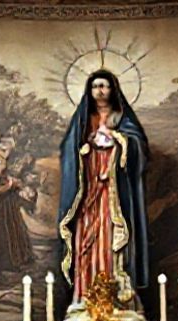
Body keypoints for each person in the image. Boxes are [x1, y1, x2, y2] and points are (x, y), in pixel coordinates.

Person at [58, 69, 149, 304]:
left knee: (110, 240)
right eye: (95, 86)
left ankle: (114, 297)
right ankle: (84, 297)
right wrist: (84, 152)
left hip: (113, 194)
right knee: (84, 240)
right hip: (87, 193)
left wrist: (119, 140)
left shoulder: (122, 118)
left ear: (113, 89)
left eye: (105, 85)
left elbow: (139, 148)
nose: (100, 90)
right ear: (89, 90)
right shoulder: (82, 120)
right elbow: (68, 152)